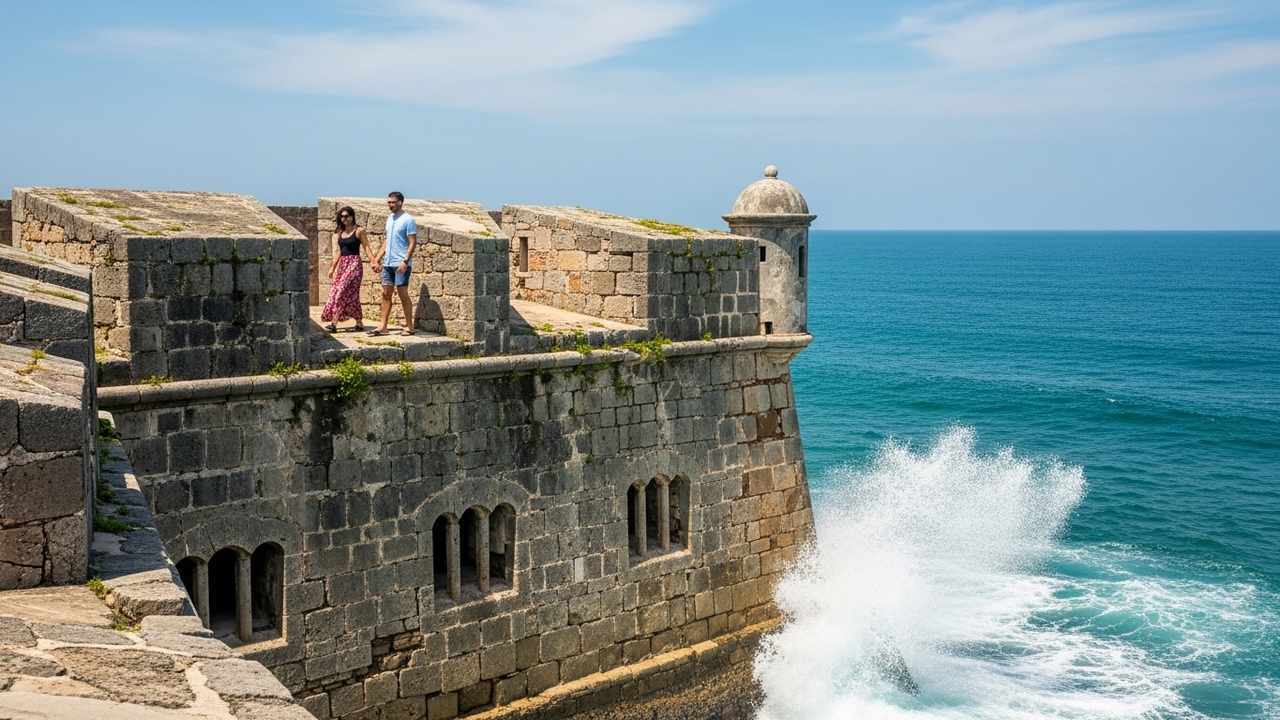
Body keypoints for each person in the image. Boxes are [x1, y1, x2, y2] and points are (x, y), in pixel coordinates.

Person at [370, 191, 416, 336]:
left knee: (403, 294)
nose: (390, 205)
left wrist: (405, 261)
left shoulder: (408, 220)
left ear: (400, 202)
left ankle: (410, 327)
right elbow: (387, 241)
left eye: (393, 202)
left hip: (401, 264)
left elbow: (412, 242)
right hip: (388, 264)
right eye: (388, 202)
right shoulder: (389, 219)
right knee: (385, 294)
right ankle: (383, 326)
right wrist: (377, 258)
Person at [320, 206, 368, 332]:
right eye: (342, 216)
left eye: (347, 216)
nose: (344, 218)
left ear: (352, 216)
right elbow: (339, 252)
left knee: (341, 292)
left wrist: (374, 261)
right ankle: (359, 323)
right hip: (343, 265)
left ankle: (334, 323)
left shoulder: (359, 231)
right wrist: (332, 268)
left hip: (354, 265)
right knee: (351, 295)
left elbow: (367, 247)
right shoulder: (340, 233)